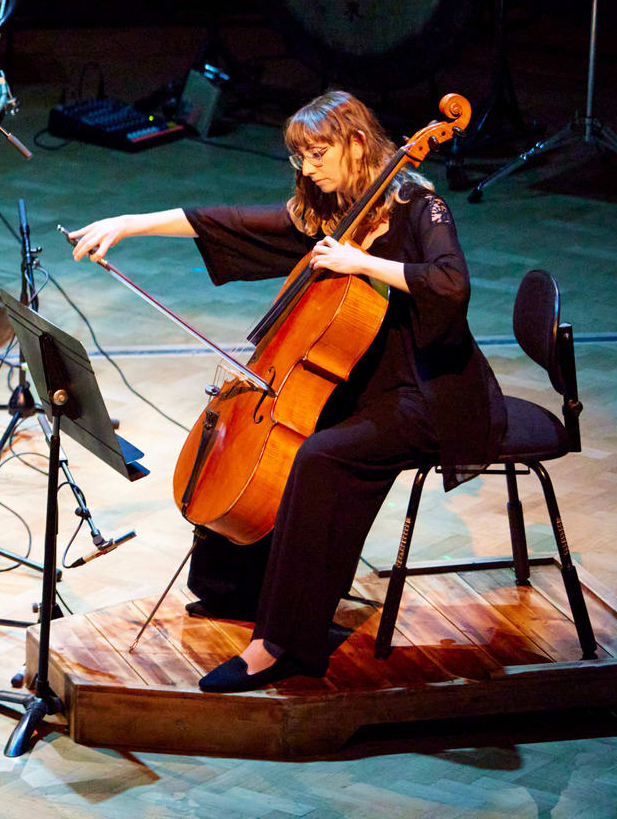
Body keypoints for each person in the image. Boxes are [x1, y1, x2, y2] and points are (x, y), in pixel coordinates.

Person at [67, 90, 503, 693]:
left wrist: (363, 264)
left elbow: (451, 285)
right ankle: (236, 591)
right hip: (357, 383)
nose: (307, 169)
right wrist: (131, 224)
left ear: (356, 142)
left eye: (318, 154)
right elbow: (231, 221)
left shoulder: (418, 203)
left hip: (428, 389)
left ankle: (283, 645)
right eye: (299, 157)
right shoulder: (334, 208)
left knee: (320, 457)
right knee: (263, 452)